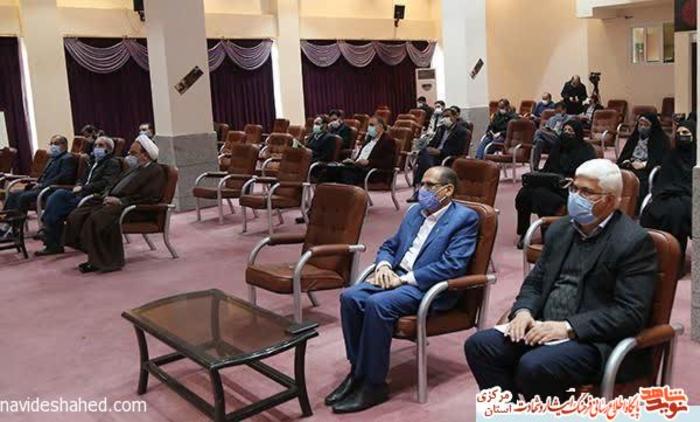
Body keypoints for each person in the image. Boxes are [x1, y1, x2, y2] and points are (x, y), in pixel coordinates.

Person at [466, 159, 657, 401]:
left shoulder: (632, 242)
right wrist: (524, 311)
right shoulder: (560, 230)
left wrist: (567, 328)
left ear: (609, 200)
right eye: (574, 187)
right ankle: (509, 414)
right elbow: (535, 282)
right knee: (480, 346)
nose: (575, 196)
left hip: (593, 340)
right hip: (542, 325)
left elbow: (630, 313)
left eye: (586, 191)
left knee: (534, 366)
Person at [327, 166, 479, 413]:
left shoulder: (464, 219)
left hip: (428, 286)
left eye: (429, 185)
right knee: (350, 297)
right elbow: (391, 245)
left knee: (378, 304)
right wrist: (384, 266)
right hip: (396, 275)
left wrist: (405, 279)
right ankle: (358, 372)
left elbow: (452, 265)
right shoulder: (415, 212)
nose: (422, 190)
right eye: (422, 183)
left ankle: (374, 384)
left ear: (448, 190)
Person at [64, 135, 165, 273]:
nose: (129, 156)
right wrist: (106, 196)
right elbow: (114, 185)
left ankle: (105, 262)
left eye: (133, 153)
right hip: (116, 202)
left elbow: (150, 197)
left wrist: (121, 201)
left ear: (145, 155)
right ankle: (90, 252)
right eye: (129, 152)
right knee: (79, 213)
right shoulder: (135, 168)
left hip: (135, 209)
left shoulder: (155, 171)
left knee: (98, 217)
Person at [34, 136, 122, 256]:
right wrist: (79, 184)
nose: (97, 148)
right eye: (95, 145)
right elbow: (82, 178)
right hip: (80, 193)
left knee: (57, 208)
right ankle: (48, 232)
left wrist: (84, 188)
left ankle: (51, 240)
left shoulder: (112, 163)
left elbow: (105, 182)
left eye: (101, 146)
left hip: (91, 197)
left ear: (109, 149)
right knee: (58, 194)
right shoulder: (93, 162)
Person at [516, 120, 596, 247]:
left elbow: (590, 175)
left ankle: (548, 234)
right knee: (524, 194)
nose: (566, 134)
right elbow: (547, 169)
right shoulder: (558, 147)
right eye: (565, 130)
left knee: (540, 195)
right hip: (552, 185)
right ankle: (524, 232)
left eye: (570, 131)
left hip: (571, 190)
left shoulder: (586, 150)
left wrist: (573, 181)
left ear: (578, 133)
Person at [641, 119, 696, 265]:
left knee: (677, 214)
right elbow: (663, 182)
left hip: (691, 196)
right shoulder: (671, 156)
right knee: (652, 210)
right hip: (669, 194)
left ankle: (675, 261)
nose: (681, 136)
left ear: (694, 135)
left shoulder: (697, 158)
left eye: (685, 133)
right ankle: (655, 258)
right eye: (679, 133)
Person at [1, 135, 77, 217]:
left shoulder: (67, 158)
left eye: (56, 143)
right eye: (51, 144)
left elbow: (63, 178)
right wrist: (37, 183)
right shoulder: (52, 158)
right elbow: (44, 175)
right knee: (13, 194)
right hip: (41, 187)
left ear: (64, 145)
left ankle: (17, 222)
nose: (52, 146)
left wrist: (42, 185)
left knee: (23, 197)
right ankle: (7, 220)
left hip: (52, 190)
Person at [407, 108, 469, 202]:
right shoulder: (441, 129)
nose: (445, 119)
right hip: (433, 156)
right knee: (424, 153)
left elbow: (458, 150)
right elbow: (432, 142)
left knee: (423, 162)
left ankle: (420, 190)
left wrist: (440, 152)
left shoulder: (462, 131)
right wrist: (429, 148)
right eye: (443, 117)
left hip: (446, 158)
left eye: (448, 116)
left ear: (455, 117)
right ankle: (426, 183)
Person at [617, 113, 670, 211]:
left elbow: (661, 161)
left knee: (639, 180)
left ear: (653, 126)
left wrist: (644, 165)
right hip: (630, 165)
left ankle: (633, 208)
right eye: (640, 124)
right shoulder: (634, 137)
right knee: (615, 175)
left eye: (646, 125)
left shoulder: (661, 140)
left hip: (647, 170)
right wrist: (626, 161)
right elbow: (625, 154)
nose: (642, 127)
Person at [322, 116, 394, 186]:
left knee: (343, 173)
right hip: (358, 167)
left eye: (371, 125)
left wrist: (369, 162)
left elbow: (388, 162)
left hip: (372, 171)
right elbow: (362, 155)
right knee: (330, 169)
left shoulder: (388, 141)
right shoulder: (369, 139)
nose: (369, 128)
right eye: (368, 125)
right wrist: (353, 161)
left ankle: (345, 192)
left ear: (380, 126)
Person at [531, 101, 570, 170]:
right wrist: (548, 130)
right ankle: (535, 167)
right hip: (549, 139)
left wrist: (555, 131)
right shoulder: (551, 119)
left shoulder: (569, 119)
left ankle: (532, 144)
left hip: (560, 139)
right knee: (539, 141)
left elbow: (567, 133)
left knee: (539, 131)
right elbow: (546, 129)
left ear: (564, 110)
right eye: (556, 112)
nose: (557, 114)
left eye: (559, 111)